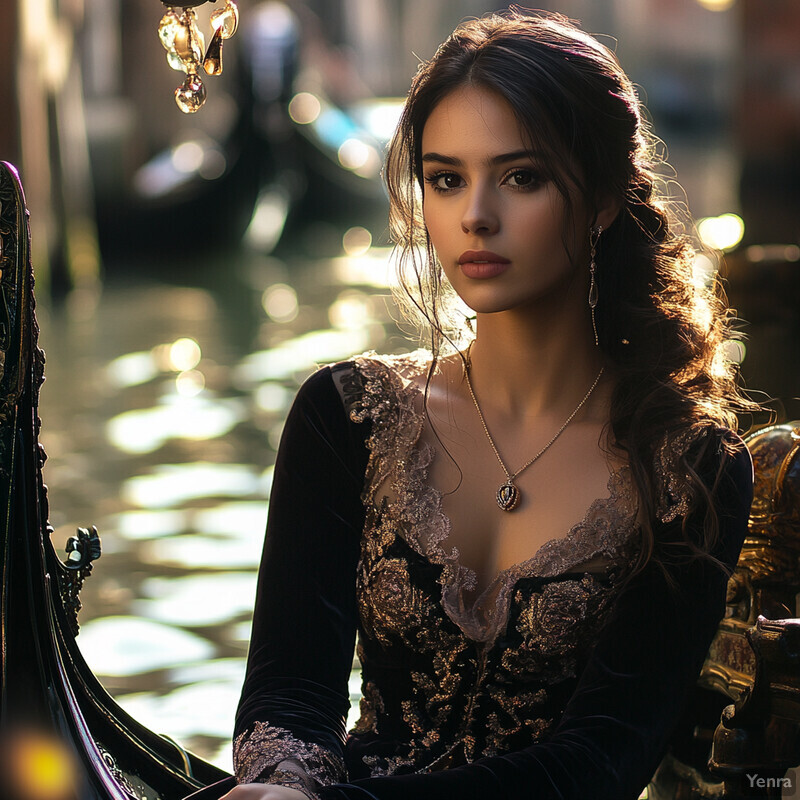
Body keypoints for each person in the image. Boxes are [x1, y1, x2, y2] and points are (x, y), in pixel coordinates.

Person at [223, 9, 754, 800]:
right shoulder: (346, 417)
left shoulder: (690, 468)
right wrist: (284, 786)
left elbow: (599, 762)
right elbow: (289, 688)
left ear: (604, 197)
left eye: (521, 177)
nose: (475, 214)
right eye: (446, 179)